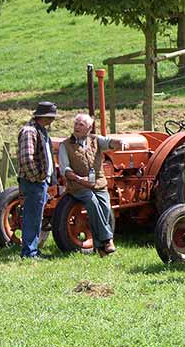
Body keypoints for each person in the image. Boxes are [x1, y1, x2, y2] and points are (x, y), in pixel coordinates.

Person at [58, 114, 127, 257]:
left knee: (106, 207)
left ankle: (100, 247)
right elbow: (65, 169)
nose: (77, 127)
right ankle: (107, 240)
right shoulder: (65, 145)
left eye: (81, 124)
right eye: (76, 123)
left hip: (98, 183)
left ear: (89, 128)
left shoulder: (96, 140)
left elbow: (110, 142)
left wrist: (119, 142)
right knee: (92, 203)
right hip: (78, 186)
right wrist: (80, 179)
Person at [16, 102, 58, 259]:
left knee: (35, 216)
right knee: (32, 217)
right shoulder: (29, 131)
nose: (53, 120)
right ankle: (29, 252)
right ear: (45, 117)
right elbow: (27, 159)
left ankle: (32, 250)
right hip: (34, 182)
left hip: (40, 181)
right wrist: (37, 177)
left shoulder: (41, 131)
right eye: (52, 117)